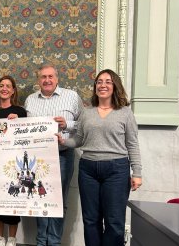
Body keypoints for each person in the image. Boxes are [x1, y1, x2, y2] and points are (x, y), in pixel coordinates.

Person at [59, 69, 142, 246]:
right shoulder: (87, 113)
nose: (102, 85)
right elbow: (79, 140)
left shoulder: (125, 113)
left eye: (108, 82)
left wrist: (137, 173)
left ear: (115, 86)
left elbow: (132, 144)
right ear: (95, 86)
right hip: (88, 169)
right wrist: (63, 141)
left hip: (117, 171)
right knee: (90, 220)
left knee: (114, 222)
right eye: (99, 82)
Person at [24, 64, 82, 246]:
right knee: (39, 199)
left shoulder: (71, 96)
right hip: (38, 158)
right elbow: (23, 128)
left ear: (57, 78)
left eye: (50, 77)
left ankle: (54, 242)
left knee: (59, 201)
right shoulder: (30, 100)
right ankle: (41, 241)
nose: (47, 80)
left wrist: (68, 125)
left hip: (63, 155)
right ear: (38, 80)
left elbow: (85, 124)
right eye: (43, 77)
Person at [0, 76, 27, 246]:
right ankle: (0, 237)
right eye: (1, 86)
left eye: (8, 86)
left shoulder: (20, 112)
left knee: (13, 198)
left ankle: (12, 239)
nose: (4, 89)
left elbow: (26, 139)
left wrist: (19, 123)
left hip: (13, 165)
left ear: (13, 90)